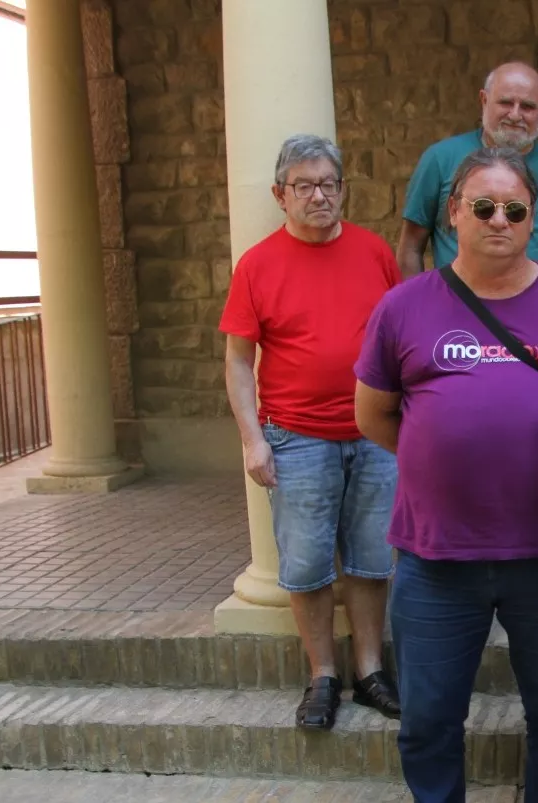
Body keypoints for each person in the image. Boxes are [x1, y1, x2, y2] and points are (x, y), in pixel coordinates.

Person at [353, 147, 538, 803]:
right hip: (435, 556)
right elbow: (373, 416)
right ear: (453, 214)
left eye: (514, 209)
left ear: (534, 220)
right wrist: (440, 456)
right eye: (483, 206)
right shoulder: (403, 306)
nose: (498, 219)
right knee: (427, 721)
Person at [219, 133, 403, 729]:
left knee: (373, 560)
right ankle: (323, 675)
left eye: (329, 184)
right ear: (281, 194)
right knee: (306, 564)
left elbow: (399, 343)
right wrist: (252, 439)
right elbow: (239, 361)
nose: (319, 195)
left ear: (342, 189)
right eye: (305, 186)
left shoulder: (375, 253)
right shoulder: (257, 264)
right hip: (296, 438)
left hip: (375, 436)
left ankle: (370, 671)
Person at [397, 61, 538, 280]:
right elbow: (411, 247)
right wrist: (419, 308)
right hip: (457, 306)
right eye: (506, 103)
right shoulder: (440, 159)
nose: (515, 115)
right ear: (484, 100)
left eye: (527, 106)